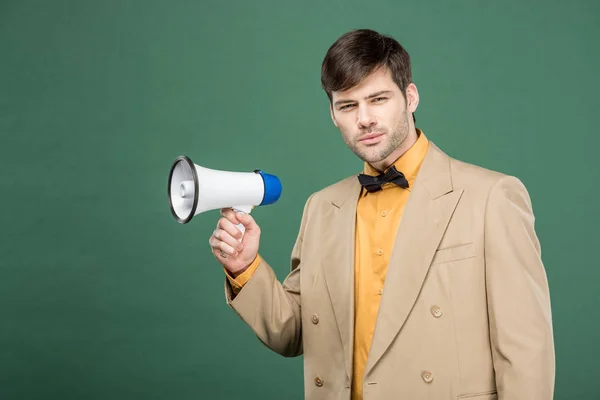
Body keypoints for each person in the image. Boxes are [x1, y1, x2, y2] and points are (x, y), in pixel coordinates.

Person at [208, 29, 555, 400]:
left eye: (378, 99)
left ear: (410, 97)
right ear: (332, 114)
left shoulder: (492, 197)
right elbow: (294, 331)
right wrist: (245, 267)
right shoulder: (322, 207)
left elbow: (526, 353)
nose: (365, 119)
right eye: (348, 105)